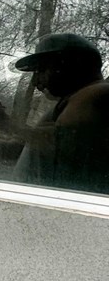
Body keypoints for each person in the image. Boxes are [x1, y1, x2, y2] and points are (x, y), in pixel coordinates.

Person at [11, 33, 109, 194]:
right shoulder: (68, 103)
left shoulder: (95, 94)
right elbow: (20, 150)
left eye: (41, 70)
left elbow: (56, 142)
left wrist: (4, 123)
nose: (36, 82)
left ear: (70, 66)